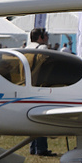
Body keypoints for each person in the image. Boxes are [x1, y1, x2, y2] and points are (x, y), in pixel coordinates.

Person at [27, 28, 51, 156]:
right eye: (46, 35)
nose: (47, 38)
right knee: (42, 118)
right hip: (40, 86)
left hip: (27, 86)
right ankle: (41, 148)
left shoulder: (27, 47)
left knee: (33, 118)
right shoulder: (42, 49)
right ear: (41, 37)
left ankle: (33, 147)